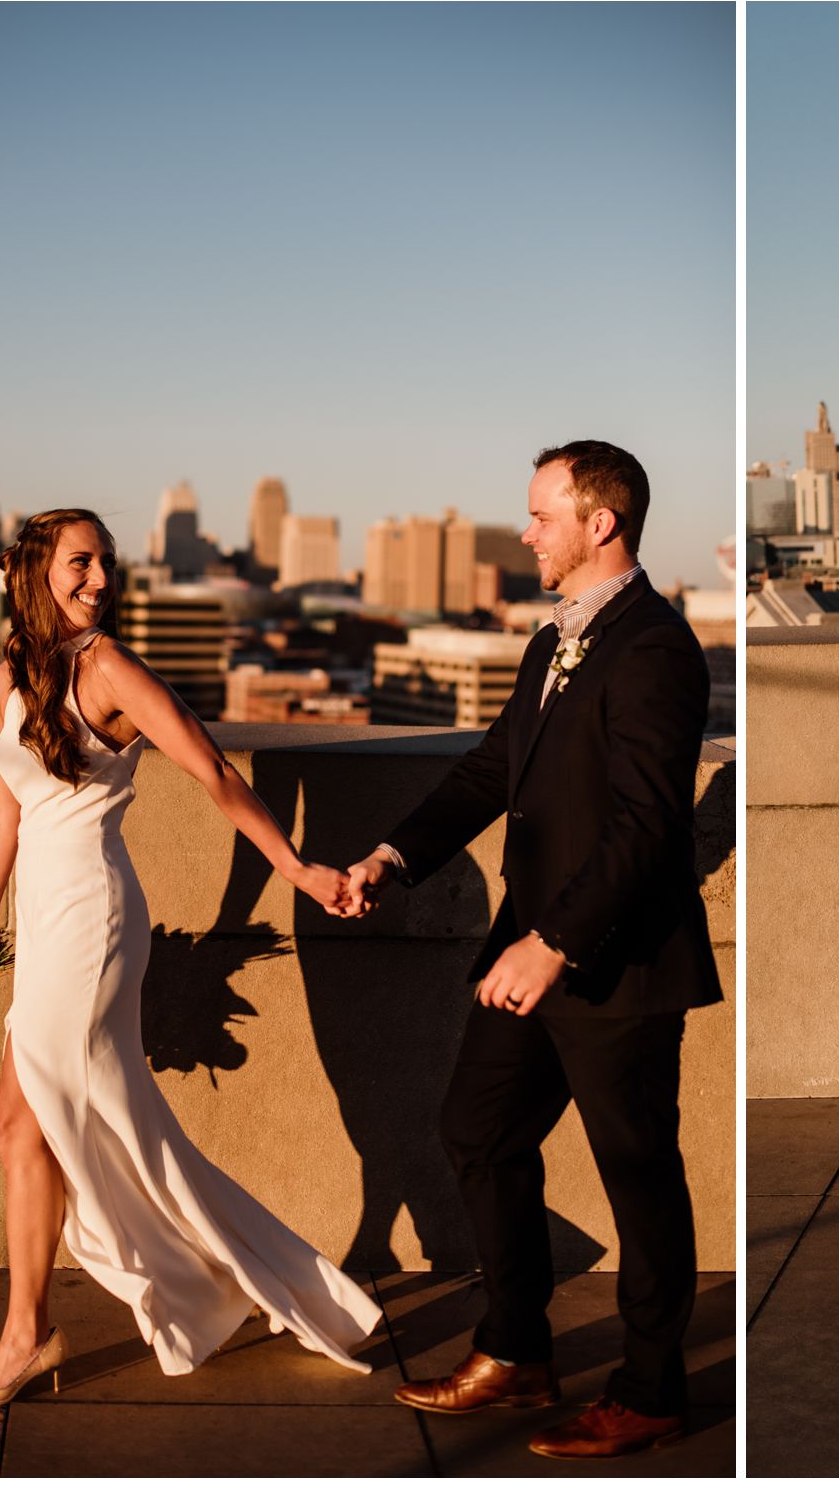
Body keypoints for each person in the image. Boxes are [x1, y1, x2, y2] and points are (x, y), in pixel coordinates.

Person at [0, 509, 381, 1404]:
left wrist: (296, 868)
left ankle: (34, 1332)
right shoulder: (12, 674)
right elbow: (2, 816)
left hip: (95, 922)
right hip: (45, 923)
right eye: (81, 562)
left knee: (33, 1123)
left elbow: (213, 771)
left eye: (107, 564)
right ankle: (42, 1327)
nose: (101, 580)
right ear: (34, 570)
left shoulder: (109, 667)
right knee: (25, 1127)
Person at [341, 441, 719, 1461]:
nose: (525, 531)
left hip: (613, 964)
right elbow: (490, 770)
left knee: (637, 1176)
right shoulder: (552, 641)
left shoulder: (654, 648)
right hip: (531, 949)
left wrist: (555, 942)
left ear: (600, 523)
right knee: (476, 1129)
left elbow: (646, 829)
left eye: (540, 513)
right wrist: (393, 853)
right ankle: (515, 1351)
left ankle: (649, 1392)